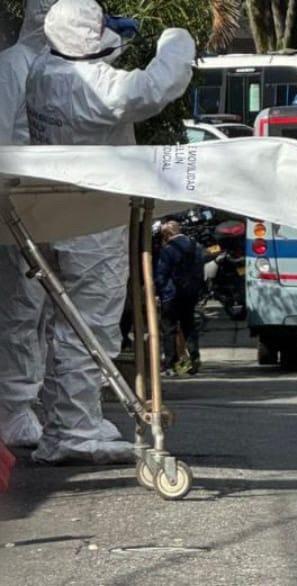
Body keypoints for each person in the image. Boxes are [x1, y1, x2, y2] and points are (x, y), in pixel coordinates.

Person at [25, 0, 195, 464]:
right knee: (90, 329)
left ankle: (69, 421)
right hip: (91, 225)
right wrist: (176, 39)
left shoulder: (42, 72)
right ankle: (74, 430)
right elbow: (160, 84)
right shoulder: (99, 89)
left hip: (51, 214)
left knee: (65, 326)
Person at [0, 0, 57, 448]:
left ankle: (31, 403)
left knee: (44, 309)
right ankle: (13, 408)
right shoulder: (14, 65)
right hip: (19, 201)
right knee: (21, 308)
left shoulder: (57, 66)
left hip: (51, 202)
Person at [155, 221, 204, 376]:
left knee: (169, 328)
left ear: (168, 234)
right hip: (190, 293)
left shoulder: (168, 249)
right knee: (188, 325)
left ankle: (170, 364)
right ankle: (194, 359)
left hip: (172, 294)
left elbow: (161, 274)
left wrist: (159, 292)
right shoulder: (196, 247)